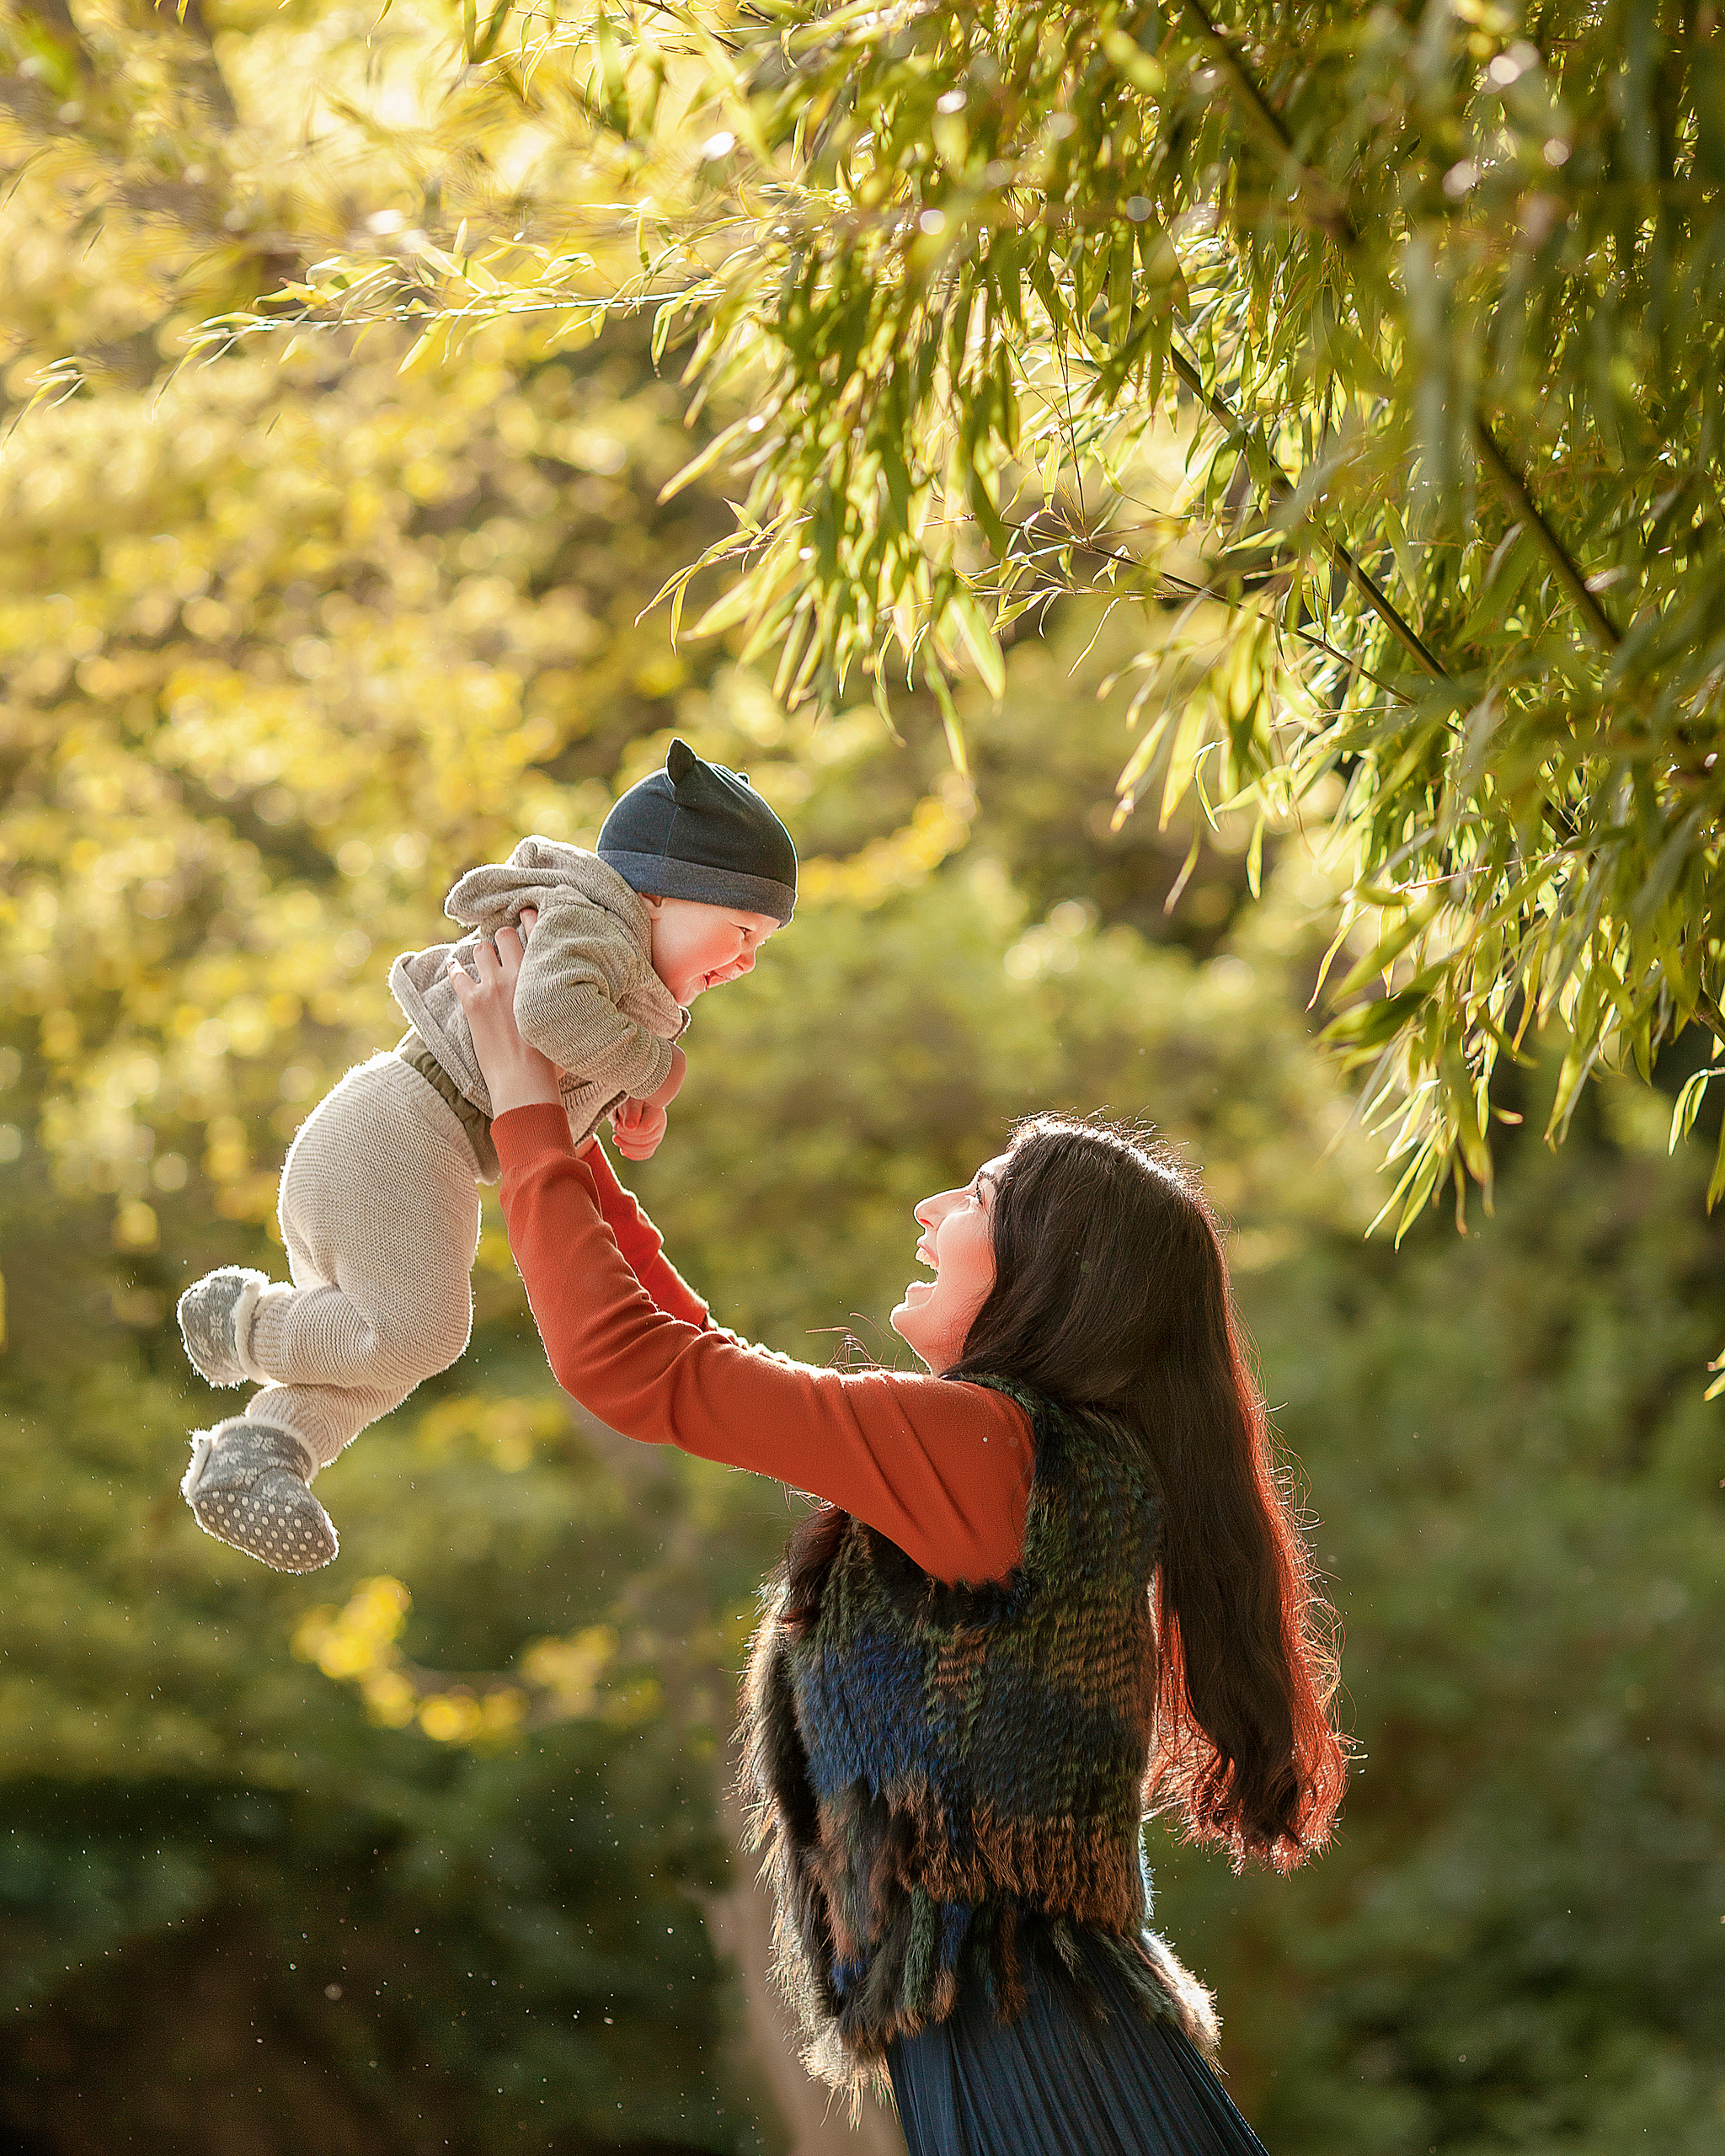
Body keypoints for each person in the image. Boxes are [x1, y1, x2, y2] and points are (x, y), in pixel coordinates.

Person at [451, 918, 1348, 2156]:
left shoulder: (990, 1447)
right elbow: (690, 1352)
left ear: (1049, 1272)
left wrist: (521, 1106)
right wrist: (561, 1135)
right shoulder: (1031, 1456)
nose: (932, 1209)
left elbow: (632, 1367)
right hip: (1049, 2053)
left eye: (975, 1197)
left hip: (1034, 2066)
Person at [174, 741, 794, 1573]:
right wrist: (659, 1070)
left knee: (380, 1356)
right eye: (741, 928)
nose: (746, 959)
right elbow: (544, 1012)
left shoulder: (616, 956)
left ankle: (265, 1452)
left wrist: (626, 1110)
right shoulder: (593, 922)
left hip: (405, 1146)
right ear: (656, 892)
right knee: (420, 1334)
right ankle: (242, 1325)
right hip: (397, 1131)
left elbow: (561, 1063)